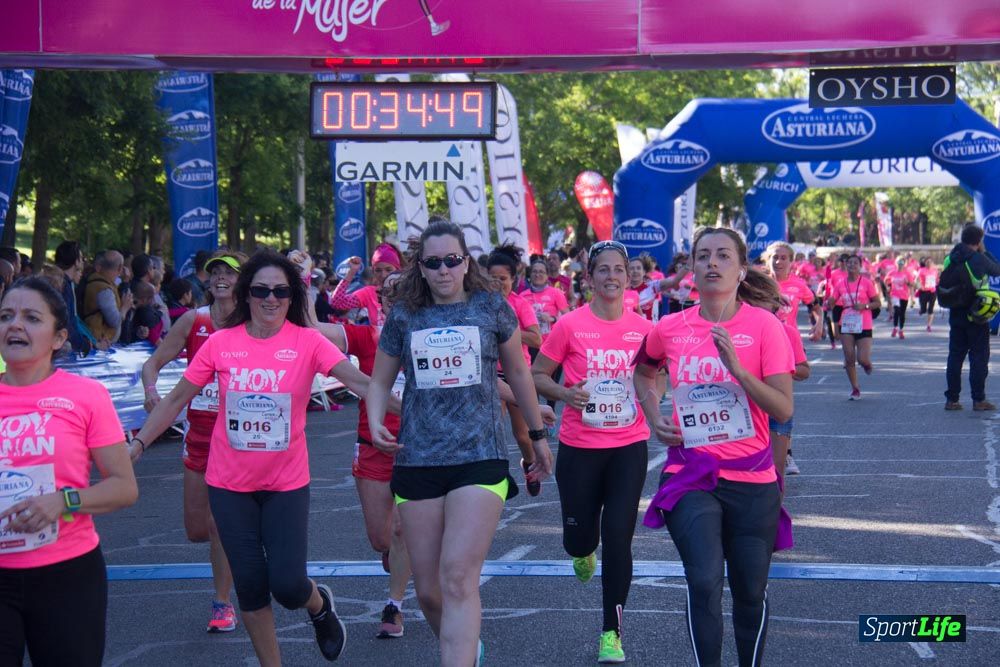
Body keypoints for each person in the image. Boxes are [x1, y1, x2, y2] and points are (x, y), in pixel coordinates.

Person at [131, 250, 383, 665]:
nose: (271, 299)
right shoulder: (220, 343)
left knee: (287, 585)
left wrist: (406, 407)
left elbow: (357, 381)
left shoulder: (307, 341)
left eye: (281, 291)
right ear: (247, 294)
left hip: (285, 483)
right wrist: (138, 445)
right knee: (249, 586)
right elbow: (177, 397)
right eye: (262, 290)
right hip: (229, 484)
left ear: (292, 296)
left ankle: (319, 605)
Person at [366, 220, 553, 667]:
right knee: (430, 592)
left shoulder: (492, 308)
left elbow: (520, 375)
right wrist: (375, 421)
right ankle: (468, 649)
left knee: (457, 578)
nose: (444, 270)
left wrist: (538, 437)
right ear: (421, 267)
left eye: (452, 260)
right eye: (433, 263)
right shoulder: (406, 315)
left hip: (479, 459)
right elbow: (379, 381)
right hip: (419, 459)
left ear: (466, 261)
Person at [633, 227, 794, 667]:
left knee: (750, 592)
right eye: (702, 256)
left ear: (741, 270)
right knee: (704, 580)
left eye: (723, 256)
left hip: (753, 477)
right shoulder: (670, 327)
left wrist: (739, 372)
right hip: (691, 474)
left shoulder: (765, 326)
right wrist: (653, 417)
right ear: (691, 269)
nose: (712, 264)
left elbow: (782, 405)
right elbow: (643, 373)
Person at [0, 277, 138, 666]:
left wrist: (64, 501)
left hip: (67, 574)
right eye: (6, 315)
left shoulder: (85, 395)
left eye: (31, 317)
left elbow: (124, 487)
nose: (15, 325)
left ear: (59, 338)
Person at [531, 239, 656, 664]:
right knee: (578, 538)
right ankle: (582, 549)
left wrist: (652, 403)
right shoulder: (569, 325)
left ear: (628, 275)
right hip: (580, 447)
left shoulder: (643, 330)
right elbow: (536, 375)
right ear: (589, 278)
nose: (612, 277)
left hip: (628, 445)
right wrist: (565, 393)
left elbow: (655, 376)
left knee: (620, 538)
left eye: (618, 269)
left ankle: (611, 634)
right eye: (602, 270)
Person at [137, 252, 245, 634]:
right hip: (199, 431)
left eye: (228, 273)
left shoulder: (254, 321)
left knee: (219, 525)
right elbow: (152, 364)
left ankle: (222, 603)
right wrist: (152, 391)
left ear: (241, 280)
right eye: (215, 272)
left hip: (239, 434)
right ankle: (238, 543)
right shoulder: (193, 320)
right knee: (197, 529)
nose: (220, 278)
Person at [487, 244, 544, 495]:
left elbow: (536, 339)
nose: (498, 283)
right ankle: (498, 474)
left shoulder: (519, 305)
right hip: (489, 372)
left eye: (503, 279)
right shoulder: (478, 304)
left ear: (513, 279)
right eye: (492, 278)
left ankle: (530, 464)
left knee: (522, 435)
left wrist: (506, 330)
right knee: (492, 427)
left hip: (517, 373)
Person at [944, 224, 1000, 411]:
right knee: (978, 357)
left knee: (955, 356)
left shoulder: (950, 258)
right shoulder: (978, 259)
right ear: (978, 241)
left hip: (955, 312)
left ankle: (952, 399)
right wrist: (984, 252)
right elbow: (997, 270)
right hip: (976, 313)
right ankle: (978, 399)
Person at [827, 255, 880, 400]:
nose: (852, 265)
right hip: (848, 322)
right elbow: (833, 299)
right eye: (849, 263)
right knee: (849, 357)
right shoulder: (840, 284)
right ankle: (855, 388)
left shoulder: (867, 283)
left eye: (855, 263)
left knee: (862, 359)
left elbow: (877, 303)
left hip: (864, 322)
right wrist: (828, 302)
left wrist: (865, 306)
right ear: (845, 265)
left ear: (860, 266)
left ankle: (867, 364)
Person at [328, 243, 403, 327]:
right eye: (378, 270)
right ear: (373, 271)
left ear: (398, 269)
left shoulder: (408, 290)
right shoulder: (369, 293)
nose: (383, 275)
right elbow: (337, 303)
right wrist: (352, 271)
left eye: (388, 270)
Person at [765, 242, 823, 340]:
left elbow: (816, 307)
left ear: (791, 262)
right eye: (775, 257)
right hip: (766, 338)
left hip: (790, 338)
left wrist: (819, 324)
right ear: (768, 260)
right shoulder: (759, 283)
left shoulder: (799, 284)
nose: (778, 262)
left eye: (783, 258)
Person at [81, 250, 132, 347]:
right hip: (99, 342)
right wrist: (124, 309)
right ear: (120, 268)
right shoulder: (104, 290)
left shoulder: (99, 282)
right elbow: (114, 321)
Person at [884, 257, 915, 339]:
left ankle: (901, 330)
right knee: (897, 311)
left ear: (904, 264)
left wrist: (907, 282)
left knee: (902, 313)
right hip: (894, 294)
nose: (900, 265)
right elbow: (886, 281)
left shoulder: (907, 273)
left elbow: (912, 285)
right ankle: (895, 328)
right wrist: (888, 286)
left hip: (904, 295)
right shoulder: (892, 273)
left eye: (902, 263)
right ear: (896, 263)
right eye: (899, 263)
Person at [916, 257, 939, 332]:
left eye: (930, 262)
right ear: (925, 263)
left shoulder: (935, 271)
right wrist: (920, 287)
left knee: (930, 309)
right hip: (924, 291)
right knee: (923, 310)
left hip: (932, 291)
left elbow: (937, 280)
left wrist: (939, 284)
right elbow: (917, 280)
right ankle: (921, 310)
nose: (929, 264)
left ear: (932, 263)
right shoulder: (921, 271)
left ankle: (929, 325)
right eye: (927, 262)